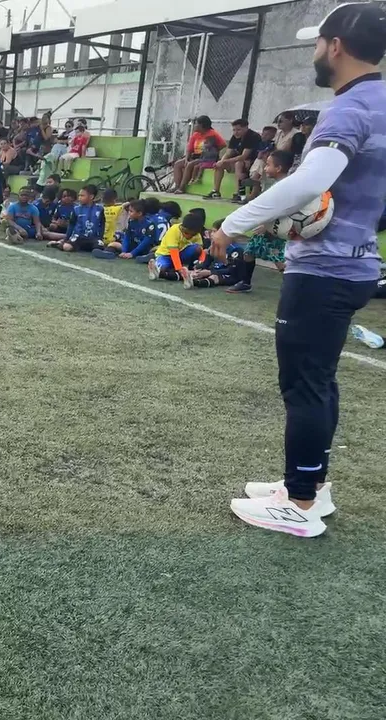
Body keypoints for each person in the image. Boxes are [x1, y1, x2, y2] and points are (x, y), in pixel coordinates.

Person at [208, 3, 386, 536]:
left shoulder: (349, 108)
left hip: (324, 271)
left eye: (317, 44)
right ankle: (310, 484)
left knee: (304, 384)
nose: (314, 54)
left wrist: (233, 224)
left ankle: (301, 504)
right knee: (319, 380)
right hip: (357, 264)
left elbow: (311, 181)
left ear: (336, 46)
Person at [226, 150, 296, 294]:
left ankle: (294, 288)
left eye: (268, 165)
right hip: (268, 227)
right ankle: (246, 283)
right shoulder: (277, 184)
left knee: (279, 260)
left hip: (278, 228)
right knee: (249, 252)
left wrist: (266, 226)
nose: (265, 168)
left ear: (279, 168)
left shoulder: (286, 187)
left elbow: (283, 210)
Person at [208, 119, 263, 201]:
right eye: (234, 130)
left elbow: (243, 156)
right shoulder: (235, 137)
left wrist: (224, 161)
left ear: (246, 128)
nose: (235, 132)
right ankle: (216, 191)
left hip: (252, 162)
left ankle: (238, 193)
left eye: (238, 130)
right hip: (240, 161)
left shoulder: (252, 136)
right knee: (219, 165)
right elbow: (228, 152)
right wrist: (221, 161)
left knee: (238, 164)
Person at [148, 209, 208, 283]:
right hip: (166, 255)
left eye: (192, 235)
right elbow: (174, 253)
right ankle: (160, 269)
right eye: (186, 233)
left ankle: (190, 268)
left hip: (181, 254)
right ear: (182, 227)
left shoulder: (197, 234)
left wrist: (201, 263)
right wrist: (179, 269)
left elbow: (201, 251)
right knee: (163, 268)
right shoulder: (174, 230)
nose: (188, 236)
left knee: (197, 248)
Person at [172, 116, 228, 193]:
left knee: (190, 165)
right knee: (177, 164)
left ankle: (182, 187)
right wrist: (186, 159)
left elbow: (223, 144)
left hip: (205, 157)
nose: (194, 125)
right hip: (195, 156)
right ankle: (177, 186)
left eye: (196, 124)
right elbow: (189, 149)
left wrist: (213, 151)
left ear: (201, 125)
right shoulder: (195, 134)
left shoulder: (212, 134)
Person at [186, 219, 247, 288]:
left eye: (215, 231)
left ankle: (195, 283)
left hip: (231, 275)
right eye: (212, 231)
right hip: (214, 271)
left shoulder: (236, 250)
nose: (212, 234)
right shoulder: (213, 246)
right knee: (194, 272)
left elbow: (231, 270)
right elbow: (206, 263)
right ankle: (180, 276)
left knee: (214, 277)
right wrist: (200, 269)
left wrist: (210, 272)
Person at [52, 184, 105, 253]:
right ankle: (59, 244)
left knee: (99, 246)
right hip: (78, 237)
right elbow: (71, 225)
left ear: (91, 197)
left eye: (82, 196)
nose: (79, 198)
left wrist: (100, 237)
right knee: (67, 247)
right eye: (79, 195)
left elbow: (102, 225)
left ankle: (97, 251)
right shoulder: (76, 209)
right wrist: (66, 238)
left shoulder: (99, 209)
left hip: (93, 238)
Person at [240, 125, 278, 203]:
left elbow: (266, 155)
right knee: (258, 162)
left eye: (267, 135)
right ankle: (254, 179)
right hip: (256, 163)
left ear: (273, 136)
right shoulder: (259, 144)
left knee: (260, 162)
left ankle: (254, 178)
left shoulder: (271, 145)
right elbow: (254, 155)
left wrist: (263, 155)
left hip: (266, 163)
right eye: (263, 134)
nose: (264, 136)